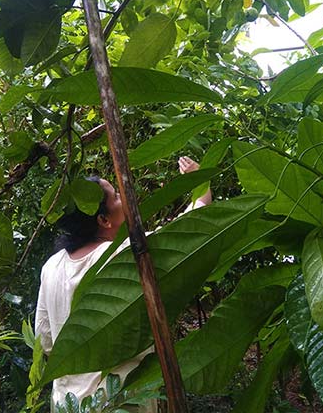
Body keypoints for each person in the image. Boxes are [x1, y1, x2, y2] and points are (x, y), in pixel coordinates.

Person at [35, 156, 212, 411]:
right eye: (117, 197)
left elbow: (47, 341)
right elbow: (194, 228)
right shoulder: (124, 255)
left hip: (67, 404)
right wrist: (201, 180)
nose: (125, 199)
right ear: (104, 220)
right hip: (117, 402)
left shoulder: (51, 266)